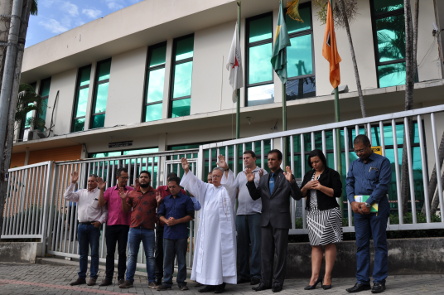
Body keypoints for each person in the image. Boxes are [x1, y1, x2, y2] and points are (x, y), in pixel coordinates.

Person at [246, 149, 302, 293]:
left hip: (281, 220)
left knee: (281, 253)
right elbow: (254, 196)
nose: (270, 161)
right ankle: (265, 281)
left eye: (273, 159)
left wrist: (292, 182)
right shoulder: (264, 178)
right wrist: (251, 183)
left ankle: (278, 282)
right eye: (268, 159)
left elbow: (297, 196)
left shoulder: (287, 176)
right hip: (265, 221)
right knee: (265, 253)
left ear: (280, 161)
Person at [180, 155, 237, 294]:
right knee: (207, 256)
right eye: (213, 176)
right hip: (208, 232)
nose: (215, 178)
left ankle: (220, 284)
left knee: (219, 257)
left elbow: (231, 183)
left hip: (221, 233)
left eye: (218, 176)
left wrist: (226, 168)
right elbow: (195, 183)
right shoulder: (207, 188)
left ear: (223, 177)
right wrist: (187, 171)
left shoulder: (227, 189)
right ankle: (208, 283)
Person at [345, 135, 391, 294]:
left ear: (369, 146)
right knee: (361, 244)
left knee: (379, 243)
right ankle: (362, 281)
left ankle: (379, 280)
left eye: (362, 150)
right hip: (359, 210)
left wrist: (369, 203)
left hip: (377, 207)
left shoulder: (382, 162)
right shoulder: (354, 164)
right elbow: (349, 183)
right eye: (356, 151)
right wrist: (351, 201)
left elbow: (383, 185)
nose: (359, 153)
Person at [300, 149, 342, 290]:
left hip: (329, 212)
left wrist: (320, 187)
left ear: (323, 160)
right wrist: (306, 186)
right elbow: (300, 193)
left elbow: (337, 192)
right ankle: (314, 277)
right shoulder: (308, 175)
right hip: (313, 214)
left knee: (328, 243)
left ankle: (327, 277)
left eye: (317, 161)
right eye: (312, 162)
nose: (315, 164)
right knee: (315, 245)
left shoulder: (332, 174)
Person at [155, 172, 201, 285]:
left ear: (179, 186)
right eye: (169, 187)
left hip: (181, 234)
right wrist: (166, 221)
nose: (171, 189)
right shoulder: (165, 200)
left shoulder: (186, 199)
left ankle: (181, 282)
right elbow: (159, 214)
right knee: (167, 259)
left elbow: (190, 215)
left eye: (174, 187)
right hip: (168, 234)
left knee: (181, 260)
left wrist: (176, 221)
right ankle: (167, 282)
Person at [64, 172, 107, 286]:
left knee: (94, 253)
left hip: (93, 227)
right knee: (82, 254)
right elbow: (67, 196)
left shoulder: (101, 193)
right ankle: (81, 277)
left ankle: (93, 277)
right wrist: (73, 183)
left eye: (92, 181)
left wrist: (100, 222)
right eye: (88, 181)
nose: (90, 183)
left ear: (97, 182)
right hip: (81, 226)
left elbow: (105, 211)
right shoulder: (80, 193)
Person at [119, 171, 160, 289]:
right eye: (141, 177)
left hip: (149, 230)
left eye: (146, 177)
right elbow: (126, 210)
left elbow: (160, 210)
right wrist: (123, 199)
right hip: (134, 229)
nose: (143, 179)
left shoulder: (155, 193)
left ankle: (151, 281)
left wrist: (159, 203)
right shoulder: (132, 193)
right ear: (139, 179)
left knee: (150, 257)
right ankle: (129, 280)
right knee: (132, 255)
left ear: (150, 179)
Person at [235, 150, 266, 286]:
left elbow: (264, 192)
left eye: (248, 158)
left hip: (256, 212)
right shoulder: (240, 174)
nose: (245, 160)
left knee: (256, 245)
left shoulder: (262, 173)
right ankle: (243, 274)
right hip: (241, 213)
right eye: (244, 158)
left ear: (254, 158)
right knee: (241, 245)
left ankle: (256, 274)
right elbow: (235, 191)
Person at [97, 167, 133, 286]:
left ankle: (121, 277)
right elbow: (101, 203)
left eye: (127, 178)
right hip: (111, 225)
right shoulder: (110, 190)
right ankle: (108, 278)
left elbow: (129, 207)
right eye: (123, 177)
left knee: (122, 252)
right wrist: (101, 190)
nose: (125, 180)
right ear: (117, 177)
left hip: (124, 225)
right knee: (110, 253)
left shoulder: (130, 191)